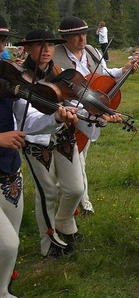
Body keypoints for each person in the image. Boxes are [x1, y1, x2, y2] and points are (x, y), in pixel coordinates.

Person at [0, 15, 79, 298]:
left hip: (8, 171)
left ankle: (4, 296)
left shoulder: (6, 77)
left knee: (9, 246)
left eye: (1, 40)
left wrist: (54, 117)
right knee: (7, 244)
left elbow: (27, 120)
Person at [53, 16, 139, 215]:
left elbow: (104, 73)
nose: (82, 39)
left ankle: (73, 196)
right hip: (71, 112)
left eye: (83, 34)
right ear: (65, 38)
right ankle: (83, 202)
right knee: (75, 156)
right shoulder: (56, 57)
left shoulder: (91, 51)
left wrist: (123, 71)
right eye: (76, 36)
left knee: (81, 154)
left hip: (92, 108)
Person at [18, 29, 92, 258]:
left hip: (62, 135)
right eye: (40, 45)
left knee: (76, 188)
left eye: (50, 45)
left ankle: (63, 221)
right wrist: (55, 116)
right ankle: (48, 241)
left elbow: (72, 99)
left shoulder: (58, 71)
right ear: (28, 48)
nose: (47, 50)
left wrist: (97, 113)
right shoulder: (20, 76)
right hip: (36, 139)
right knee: (48, 192)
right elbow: (26, 117)